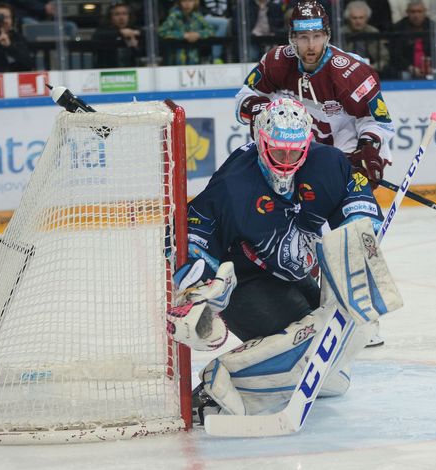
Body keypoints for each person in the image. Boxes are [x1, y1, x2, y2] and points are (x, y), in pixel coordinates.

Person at [166, 98, 397, 421]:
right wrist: (197, 274)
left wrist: (360, 230)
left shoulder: (327, 163)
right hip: (246, 281)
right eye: (278, 152)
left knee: (339, 350)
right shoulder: (234, 184)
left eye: (295, 152)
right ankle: (217, 383)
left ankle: (279, 370)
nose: (286, 161)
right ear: (261, 143)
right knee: (309, 346)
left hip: (293, 272)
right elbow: (195, 226)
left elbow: (354, 195)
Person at [235, 0, 395, 347]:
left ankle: (365, 319)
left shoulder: (350, 72)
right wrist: (272, 107)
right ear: (291, 37)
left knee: (354, 239)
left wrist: (369, 146)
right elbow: (245, 98)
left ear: (328, 35)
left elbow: (378, 121)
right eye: (303, 37)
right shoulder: (277, 62)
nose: (310, 46)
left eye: (317, 36)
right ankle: (317, 314)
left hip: (340, 168)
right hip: (292, 168)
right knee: (302, 244)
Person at [0, 3, 35, 73]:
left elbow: (29, 64)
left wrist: (9, 46)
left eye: (7, 17)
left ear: (12, 21)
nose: (3, 20)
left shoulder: (18, 38)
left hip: (15, 79)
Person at [392, 0, 436, 79]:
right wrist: (410, 68)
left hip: (431, 68)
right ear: (407, 12)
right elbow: (395, 54)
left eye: (419, 11)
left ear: (425, 12)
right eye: (413, 12)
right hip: (407, 69)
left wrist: (431, 67)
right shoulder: (398, 28)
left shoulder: (433, 27)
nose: (416, 15)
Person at [158, 0, 215, 65]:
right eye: (184, 1)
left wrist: (198, 34)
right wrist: (183, 35)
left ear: (195, 2)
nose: (187, 4)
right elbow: (162, 32)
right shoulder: (174, 16)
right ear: (179, 2)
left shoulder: (197, 15)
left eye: (190, 1)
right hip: (176, 59)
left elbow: (211, 30)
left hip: (194, 59)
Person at [342, 0, 391, 73]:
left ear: (367, 18)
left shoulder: (373, 32)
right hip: (346, 72)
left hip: (373, 72)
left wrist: (373, 67)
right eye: (354, 18)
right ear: (348, 18)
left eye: (361, 18)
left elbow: (384, 58)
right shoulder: (341, 33)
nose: (358, 21)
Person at [92, 1, 143, 68]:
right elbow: (96, 38)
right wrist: (120, 33)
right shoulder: (103, 30)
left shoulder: (134, 29)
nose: (121, 18)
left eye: (124, 14)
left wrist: (136, 45)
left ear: (129, 16)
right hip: (108, 70)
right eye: (117, 14)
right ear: (110, 17)